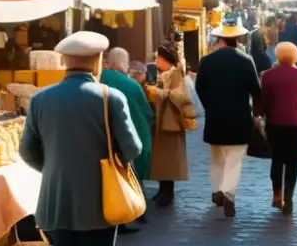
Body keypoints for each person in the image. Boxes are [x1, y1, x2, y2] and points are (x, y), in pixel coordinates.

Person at [20, 31, 142, 246]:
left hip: (56, 193)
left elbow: (27, 151)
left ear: (64, 62)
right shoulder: (110, 96)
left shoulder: (40, 99)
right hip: (101, 198)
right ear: (99, 61)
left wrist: (55, 167)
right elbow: (133, 149)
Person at [195, 20, 261, 218]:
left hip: (215, 116)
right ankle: (229, 194)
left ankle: (217, 190)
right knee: (234, 160)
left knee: (217, 158)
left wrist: (209, 105)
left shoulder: (207, 60)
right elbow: (256, 90)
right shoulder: (246, 60)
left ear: (221, 40)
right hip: (240, 116)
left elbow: (199, 87)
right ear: (237, 40)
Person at [257, 42, 297, 215]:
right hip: (295, 123)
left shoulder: (267, 75)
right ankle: (289, 198)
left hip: (275, 122)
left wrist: (259, 114)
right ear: (295, 55)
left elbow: (263, 99)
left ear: (278, 55)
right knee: (293, 162)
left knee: (277, 160)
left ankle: (277, 194)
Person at [101, 48, 153, 234]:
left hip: (99, 139)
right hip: (125, 139)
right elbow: (146, 113)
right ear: (124, 63)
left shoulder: (97, 79)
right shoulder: (131, 85)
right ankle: (134, 210)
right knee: (128, 173)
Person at [147, 43, 190, 208]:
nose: (156, 61)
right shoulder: (162, 74)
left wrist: (159, 93)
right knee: (160, 158)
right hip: (161, 121)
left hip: (171, 122)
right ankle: (162, 188)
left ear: (165, 60)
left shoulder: (175, 73)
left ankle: (168, 191)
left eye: (158, 58)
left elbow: (180, 96)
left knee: (169, 159)